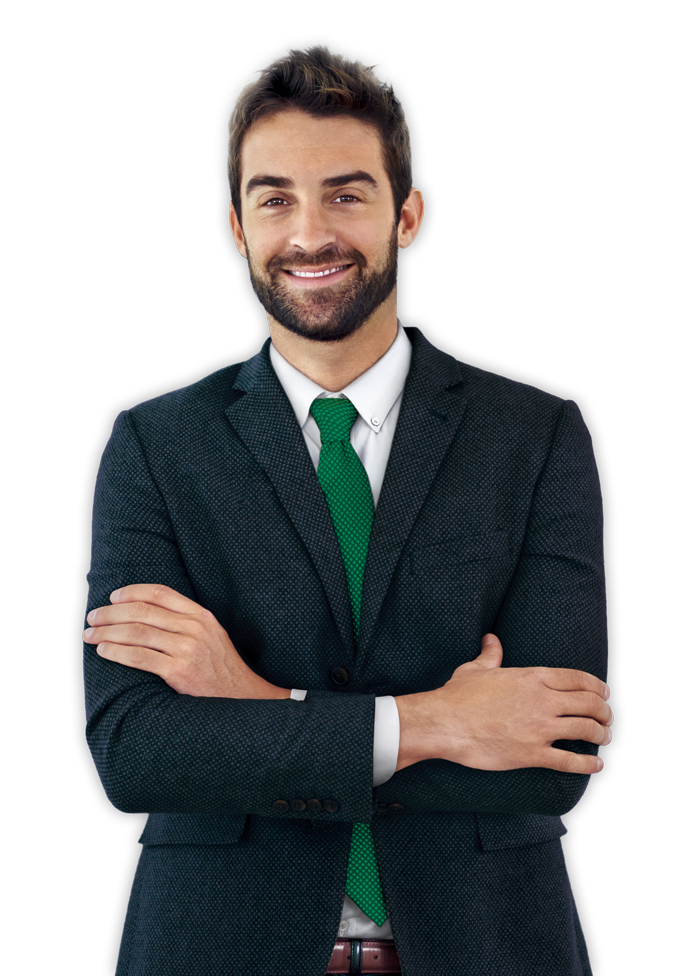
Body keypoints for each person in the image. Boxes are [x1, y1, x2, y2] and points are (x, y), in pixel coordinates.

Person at [83, 41, 613, 976]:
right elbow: (140, 752)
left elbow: (550, 755)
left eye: (347, 193)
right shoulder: (155, 446)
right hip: (217, 948)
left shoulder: (535, 435)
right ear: (238, 227)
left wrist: (252, 702)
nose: (310, 233)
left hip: (486, 946)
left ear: (408, 214)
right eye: (275, 197)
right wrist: (441, 722)